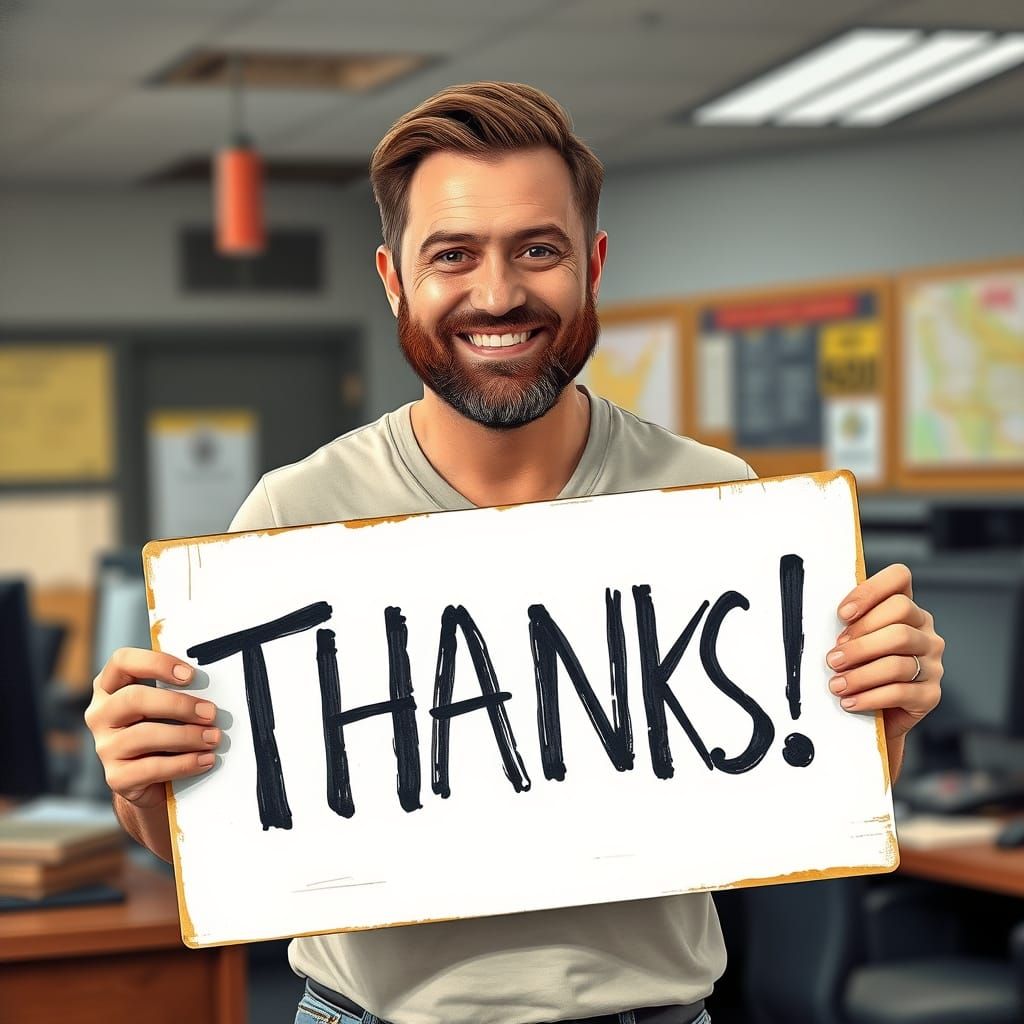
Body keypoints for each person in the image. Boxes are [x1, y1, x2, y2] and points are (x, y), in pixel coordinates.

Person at [84, 82, 944, 1024]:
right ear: (393, 278)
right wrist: (142, 786)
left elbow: (794, 799)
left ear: (593, 265)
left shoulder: (717, 502)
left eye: (539, 250)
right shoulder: (291, 517)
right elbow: (213, 840)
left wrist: (883, 718)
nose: (497, 295)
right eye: (452, 255)